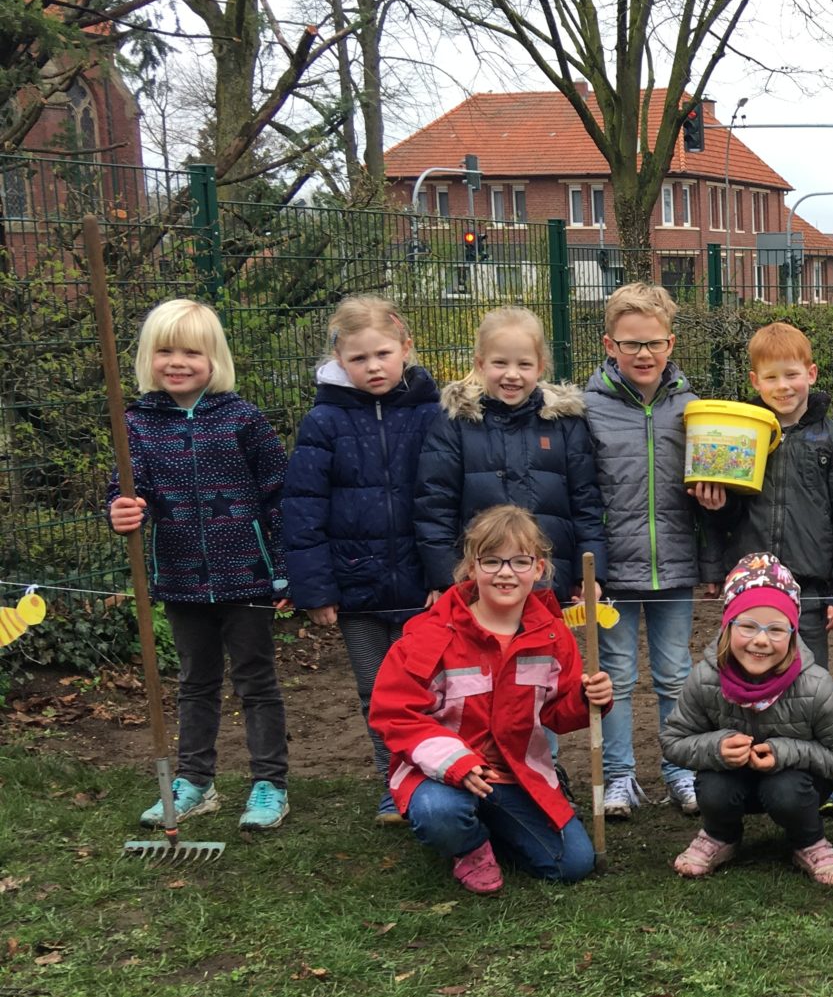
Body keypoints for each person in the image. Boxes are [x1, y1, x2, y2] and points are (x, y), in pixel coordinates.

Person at [106, 298, 293, 832]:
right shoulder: (136, 424)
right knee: (195, 682)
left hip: (248, 577)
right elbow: (125, 488)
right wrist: (120, 509)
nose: (177, 362)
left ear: (214, 359)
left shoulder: (243, 419)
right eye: (165, 350)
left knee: (256, 680)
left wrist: (285, 569)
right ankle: (194, 782)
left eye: (191, 351)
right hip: (180, 575)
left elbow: (279, 496)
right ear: (148, 357)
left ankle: (269, 784)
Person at [369, 506, 610, 892]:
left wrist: (589, 699)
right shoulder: (431, 633)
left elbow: (558, 715)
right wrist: (457, 763)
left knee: (573, 865)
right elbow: (395, 714)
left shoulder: (552, 635)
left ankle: (496, 828)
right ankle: (468, 845)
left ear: (539, 568)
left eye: (519, 561)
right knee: (439, 813)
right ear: (471, 567)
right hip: (441, 776)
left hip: (515, 775)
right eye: (492, 561)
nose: (505, 572)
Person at [283, 296, 441, 825]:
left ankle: (436, 776)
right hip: (358, 588)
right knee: (377, 690)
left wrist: (448, 575)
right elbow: (303, 507)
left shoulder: (433, 413)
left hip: (426, 586)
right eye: (359, 358)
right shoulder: (323, 421)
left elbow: (449, 496)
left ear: (405, 349)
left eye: (382, 354)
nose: (373, 366)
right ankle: (392, 783)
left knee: (432, 687)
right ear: (339, 360)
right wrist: (316, 589)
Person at [580, 283, 709, 819]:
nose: (643, 354)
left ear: (671, 343)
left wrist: (713, 501)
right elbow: (579, 490)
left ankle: (680, 771)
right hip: (612, 565)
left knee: (676, 674)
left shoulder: (696, 408)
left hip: (675, 562)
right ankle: (620, 777)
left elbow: (715, 488)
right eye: (630, 344)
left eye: (653, 343)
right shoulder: (585, 410)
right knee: (614, 673)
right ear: (609, 344)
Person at [659, 553, 833, 884]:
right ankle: (720, 835)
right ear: (727, 626)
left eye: (777, 629)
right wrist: (717, 748)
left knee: (786, 788)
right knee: (713, 785)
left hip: (798, 783)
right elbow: (673, 741)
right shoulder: (705, 678)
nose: (761, 640)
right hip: (731, 777)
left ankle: (808, 840)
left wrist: (785, 753)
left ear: (794, 634)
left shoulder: (816, 684)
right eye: (748, 626)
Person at [695, 320, 833, 668]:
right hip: (749, 584)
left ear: (811, 373)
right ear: (754, 381)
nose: (783, 386)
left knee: (809, 680)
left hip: (810, 592)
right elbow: (726, 515)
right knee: (750, 675)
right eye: (771, 377)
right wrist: (717, 510)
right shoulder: (738, 437)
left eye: (791, 375)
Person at [415, 305, 606, 602]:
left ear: (540, 367)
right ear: (480, 364)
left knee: (541, 650)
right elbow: (435, 506)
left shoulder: (564, 424)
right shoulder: (455, 424)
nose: (512, 374)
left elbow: (586, 504)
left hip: (548, 582)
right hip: (477, 585)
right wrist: (444, 577)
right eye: (500, 363)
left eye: (524, 365)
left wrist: (588, 574)